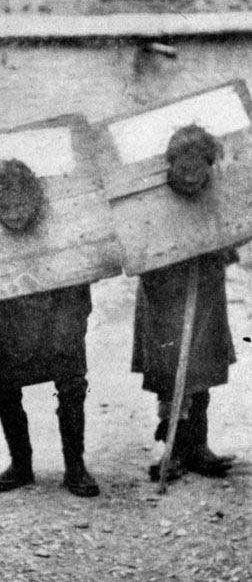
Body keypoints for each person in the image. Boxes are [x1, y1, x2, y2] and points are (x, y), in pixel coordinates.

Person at [0, 159, 99, 497]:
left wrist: (66, 331)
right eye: (4, 207)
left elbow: (78, 291)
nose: (13, 214)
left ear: (37, 202)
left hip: (58, 322)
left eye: (21, 205)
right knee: (1, 387)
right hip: (9, 326)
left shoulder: (62, 235)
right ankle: (21, 464)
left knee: (71, 385)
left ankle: (75, 466)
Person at [132, 125, 236, 481]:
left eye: (199, 169)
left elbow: (233, 237)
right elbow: (135, 242)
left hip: (205, 286)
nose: (191, 176)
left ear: (210, 166)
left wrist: (219, 247)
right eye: (182, 168)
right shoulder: (150, 199)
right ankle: (174, 449)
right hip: (163, 291)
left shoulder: (219, 193)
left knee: (202, 367)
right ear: (169, 165)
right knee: (169, 371)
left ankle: (198, 446)